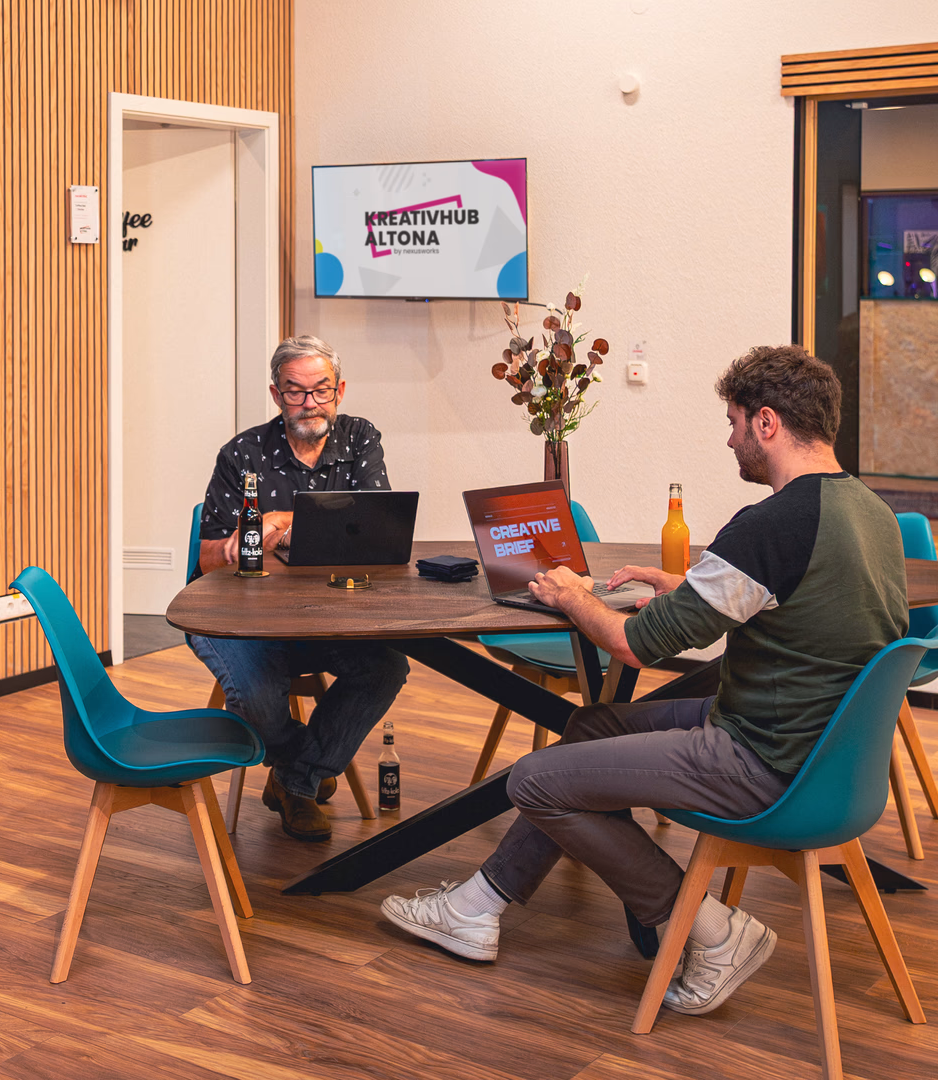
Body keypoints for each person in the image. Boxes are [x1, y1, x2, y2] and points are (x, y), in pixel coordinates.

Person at [382, 344, 908, 1016]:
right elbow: (799, 596)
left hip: (764, 758)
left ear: (767, 423)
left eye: (735, 422)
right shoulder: (871, 513)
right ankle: (480, 907)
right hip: (825, 753)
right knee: (590, 727)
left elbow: (635, 644)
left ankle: (713, 930)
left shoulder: (772, 525)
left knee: (536, 780)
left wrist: (573, 594)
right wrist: (688, 585)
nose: (730, 438)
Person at [189, 335, 409, 842]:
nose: (309, 403)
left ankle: (295, 780)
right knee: (258, 694)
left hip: (327, 615)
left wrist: (290, 519)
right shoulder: (241, 453)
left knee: (386, 668)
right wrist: (236, 544)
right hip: (239, 620)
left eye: (321, 390)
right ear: (276, 394)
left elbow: (376, 527)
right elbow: (204, 556)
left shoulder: (359, 439)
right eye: (295, 392)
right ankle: (303, 774)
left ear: (340, 391)